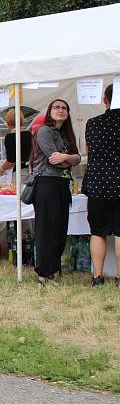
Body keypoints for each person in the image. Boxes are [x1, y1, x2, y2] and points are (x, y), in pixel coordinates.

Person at [30, 99, 82, 286]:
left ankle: (52, 270)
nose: (60, 110)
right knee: (46, 230)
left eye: (64, 108)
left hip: (62, 184)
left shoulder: (66, 134)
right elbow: (54, 160)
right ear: (49, 110)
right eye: (56, 107)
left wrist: (67, 157)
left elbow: (78, 157)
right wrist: (69, 159)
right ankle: (42, 274)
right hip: (46, 184)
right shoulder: (44, 131)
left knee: (60, 229)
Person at [83, 85, 120, 287]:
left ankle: (97, 276)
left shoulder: (93, 123)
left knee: (98, 231)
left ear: (105, 100)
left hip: (98, 183)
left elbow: (88, 151)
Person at [0, 109, 32, 176]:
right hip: (29, 170)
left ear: (8, 122)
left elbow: (11, 161)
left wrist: (2, 169)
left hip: (17, 172)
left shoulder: (10, 137)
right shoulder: (29, 134)